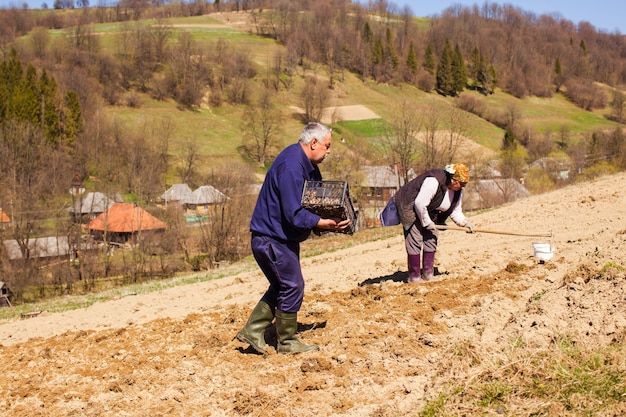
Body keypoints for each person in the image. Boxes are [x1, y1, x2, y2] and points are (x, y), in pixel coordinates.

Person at [236, 122, 351, 354]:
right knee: (292, 285)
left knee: (282, 285)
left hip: (278, 237)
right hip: (271, 238)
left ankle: (253, 329)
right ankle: (286, 342)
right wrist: (320, 223)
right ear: (313, 143)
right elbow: (293, 212)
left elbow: (313, 199)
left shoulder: (305, 164)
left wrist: (331, 220)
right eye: (327, 146)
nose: (329, 151)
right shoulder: (291, 166)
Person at [393, 163, 474, 283]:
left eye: (464, 184)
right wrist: (426, 222)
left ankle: (428, 274)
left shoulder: (457, 191)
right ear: (452, 179)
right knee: (415, 240)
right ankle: (414, 277)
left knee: (431, 239)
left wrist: (464, 223)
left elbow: (455, 211)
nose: (462, 187)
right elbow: (419, 204)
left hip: (430, 210)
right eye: (461, 183)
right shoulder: (433, 181)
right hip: (410, 207)